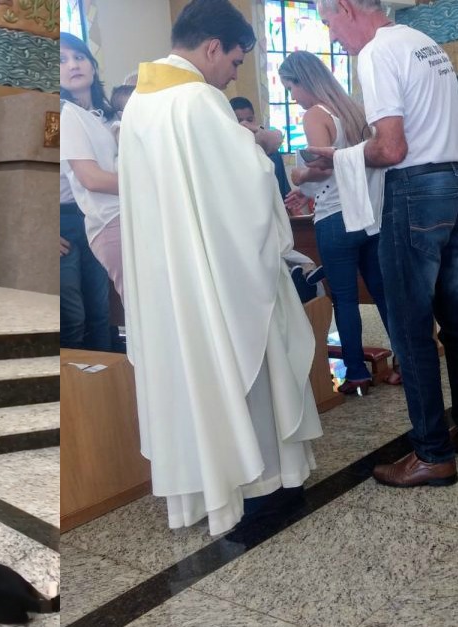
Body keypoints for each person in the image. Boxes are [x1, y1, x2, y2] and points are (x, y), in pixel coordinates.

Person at [118, 0, 322, 536]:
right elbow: (250, 188)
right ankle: (261, 488)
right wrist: (261, 146)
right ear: (212, 48)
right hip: (219, 278)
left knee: (193, 377)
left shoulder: (140, 103)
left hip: (170, 280)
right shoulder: (198, 100)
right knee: (248, 370)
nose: (233, 76)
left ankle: (210, 491)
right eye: (234, 63)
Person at [313, 0, 458, 487]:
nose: (331, 37)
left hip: (415, 191)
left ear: (346, 7)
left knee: (411, 328)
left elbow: (391, 148)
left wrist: (339, 156)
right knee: (457, 320)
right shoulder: (425, 44)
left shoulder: (376, 52)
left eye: (328, 22)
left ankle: (432, 452)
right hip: (455, 183)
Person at [279, 50, 390, 396]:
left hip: (335, 219)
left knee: (344, 299)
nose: (292, 97)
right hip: (367, 213)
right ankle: (405, 360)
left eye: (290, 88)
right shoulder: (352, 109)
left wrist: (299, 176)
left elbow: (326, 164)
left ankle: (356, 372)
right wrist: (308, 191)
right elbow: (351, 164)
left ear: (303, 81)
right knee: (383, 292)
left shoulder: (315, 114)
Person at [59, 33, 124, 301]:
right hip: (80, 215)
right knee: (74, 313)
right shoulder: (63, 113)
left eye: (79, 57)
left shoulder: (107, 117)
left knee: (101, 309)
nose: (73, 65)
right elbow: (90, 178)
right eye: (61, 60)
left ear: (93, 67)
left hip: (99, 213)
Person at [60, 168, 112, 352]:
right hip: (61, 219)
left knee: (99, 311)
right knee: (72, 316)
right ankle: (68, 376)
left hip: (93, 213)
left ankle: (104, 375)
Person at [230, 96, 291, 197]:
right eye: (239, 121)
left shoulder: (266, 146)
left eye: (249, 120)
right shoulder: (227, 147)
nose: (245, 125)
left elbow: (278, 137)